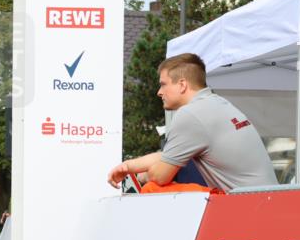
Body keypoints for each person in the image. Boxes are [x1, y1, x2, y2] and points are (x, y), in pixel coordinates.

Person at [108, 53, 277, 193]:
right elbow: (170, 155)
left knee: (152, 188)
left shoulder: (190, 114)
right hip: (265, 199)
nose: (159, 92)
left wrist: (144, 176)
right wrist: (129, 166)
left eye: (163, 85)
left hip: (245, 206)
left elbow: (160, 176)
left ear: (182, 85)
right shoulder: (217, 103)